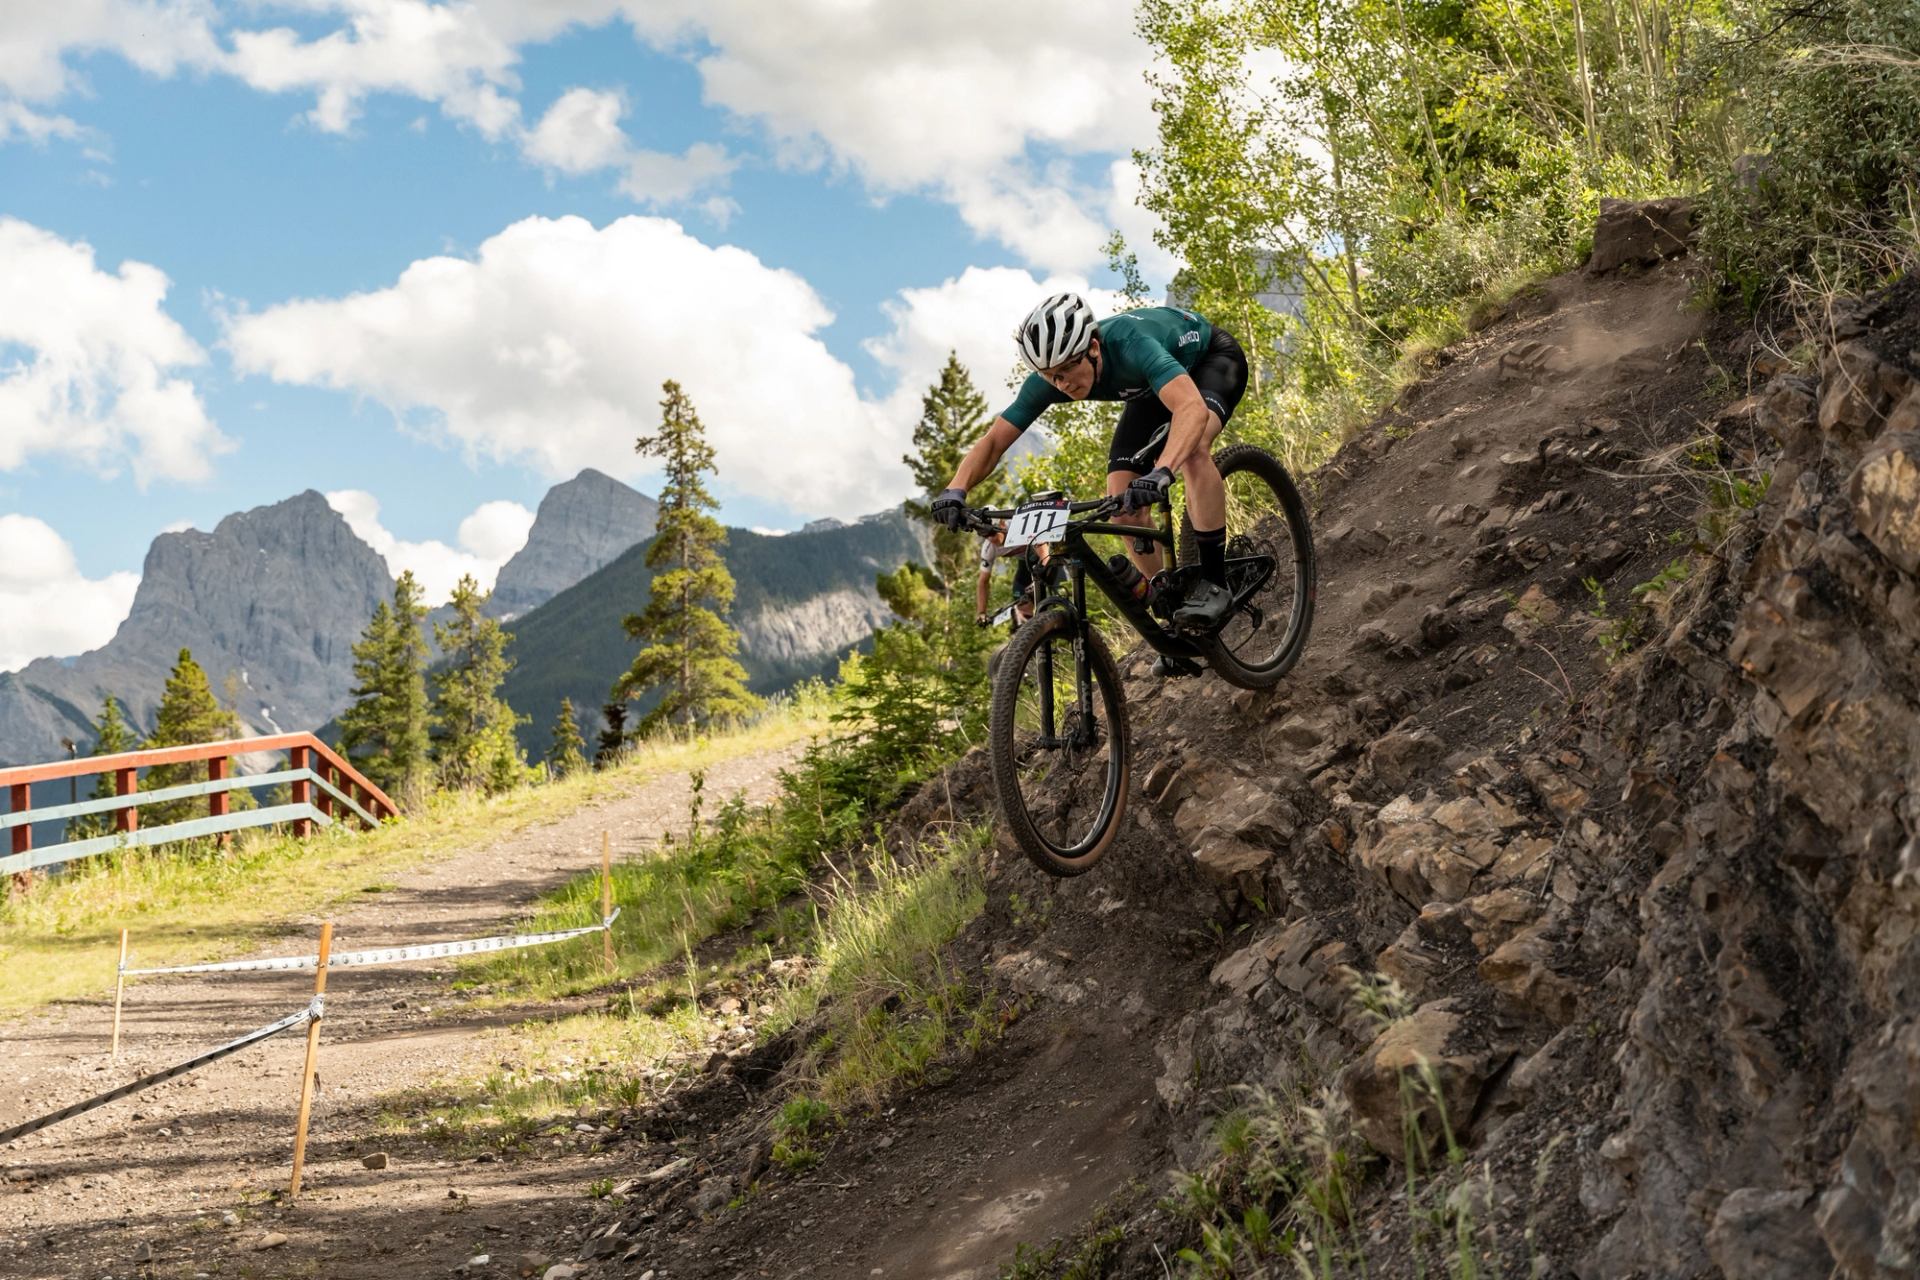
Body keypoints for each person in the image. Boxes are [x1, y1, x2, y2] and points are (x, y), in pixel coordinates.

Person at [929, 292, 1247, 634]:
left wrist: (1162, 470)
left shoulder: (1130, 344)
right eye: (1051, 376)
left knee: (1194, 449)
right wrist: (955, 489)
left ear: (1093, 348)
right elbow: (994, 442)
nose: (1062, 383)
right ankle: (1174, 610)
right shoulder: (1050, 381)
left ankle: (1216, 582)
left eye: (1067, 368)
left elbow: (1190, 409)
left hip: (1210, 362)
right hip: (1147, 388)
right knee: (1122, 508)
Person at [976, 524, 1051, 629]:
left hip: (1048, 562)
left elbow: (1045, 557)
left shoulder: (1019, 527)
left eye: (992, 533)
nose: (991, 539)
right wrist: (981, 612)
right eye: (986, 535)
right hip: (1026, 568)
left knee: (1052, 602)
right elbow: (983, 581)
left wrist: (1037, 582)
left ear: (1002, 525)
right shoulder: (989, 548)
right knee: (1021, 609)